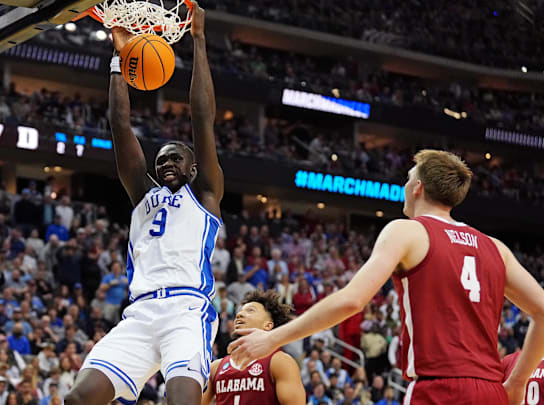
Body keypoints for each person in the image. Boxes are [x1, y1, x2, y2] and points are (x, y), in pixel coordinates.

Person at [227, 150, 544, 405]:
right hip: (490, 391)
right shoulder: (496, 248)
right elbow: (542, 310)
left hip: (439, 389)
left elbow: (352, 299)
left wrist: (272, 339)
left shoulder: (407, 231)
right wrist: (517, 381)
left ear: (418, 186)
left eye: (408, 179)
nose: (405, 187)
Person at [65, 4, 224, 405]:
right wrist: (119, 60)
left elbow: (202, 118)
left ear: (191, 166)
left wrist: (199, 41)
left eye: (175, 158)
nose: (165, 162)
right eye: (160, 160)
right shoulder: (143, 195)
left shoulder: (204, 193)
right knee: (79, 398)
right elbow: (120, 124)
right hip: (139, 314)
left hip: (186, 310)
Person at [201, 290, 306, 405]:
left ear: (268, 325)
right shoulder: (215, 367)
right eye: (239, 311)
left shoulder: (279, 361)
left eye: (250, 311)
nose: (239, 315)